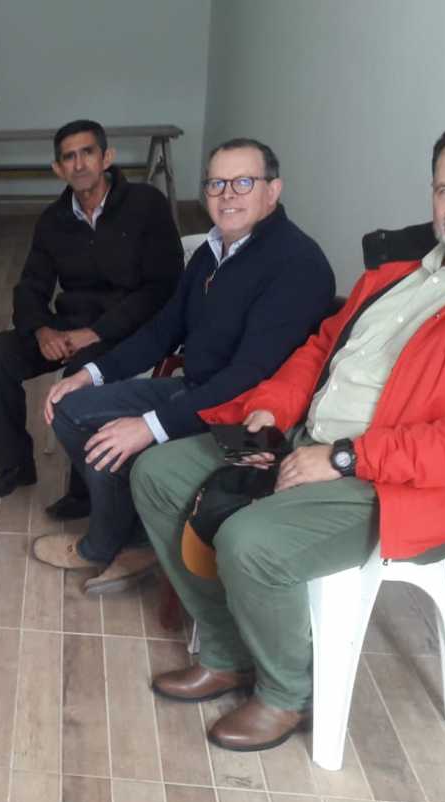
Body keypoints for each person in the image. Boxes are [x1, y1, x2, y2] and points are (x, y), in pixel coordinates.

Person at [132, 120, 445, 752]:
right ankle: (228, 653)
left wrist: (346, 457)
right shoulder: (400, 269)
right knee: (157, 474)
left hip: (403, 484)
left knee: (251, 542)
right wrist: (272, 407)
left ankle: (287, 693)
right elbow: (323, 348)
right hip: (306, 440)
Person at [31, 139, 334, 594]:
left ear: (273, 190)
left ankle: (112, 543)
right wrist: (88, 374)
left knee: (127, 441)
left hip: (250, 420)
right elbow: (163, 330)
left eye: (243, 182)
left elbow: (247, 377)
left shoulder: (296, 264)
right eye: (216, 184)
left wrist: (149, 426)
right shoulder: (214, 249)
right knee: (71, 408)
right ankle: (134, 537)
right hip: (196, 390)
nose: (227, 195)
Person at [0, 119, 183, 514]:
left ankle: (85, 490)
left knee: (80, 373)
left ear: (107, 157)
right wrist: (41, 330)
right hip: (71, 326)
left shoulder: (145, 205)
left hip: (130, 329)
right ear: (58, 169)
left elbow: (162, 287)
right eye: (69, 157)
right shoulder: (53, 220)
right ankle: (15, 465)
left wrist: (97, 332)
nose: (80, 163)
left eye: (88, 152)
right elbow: (31, 285)